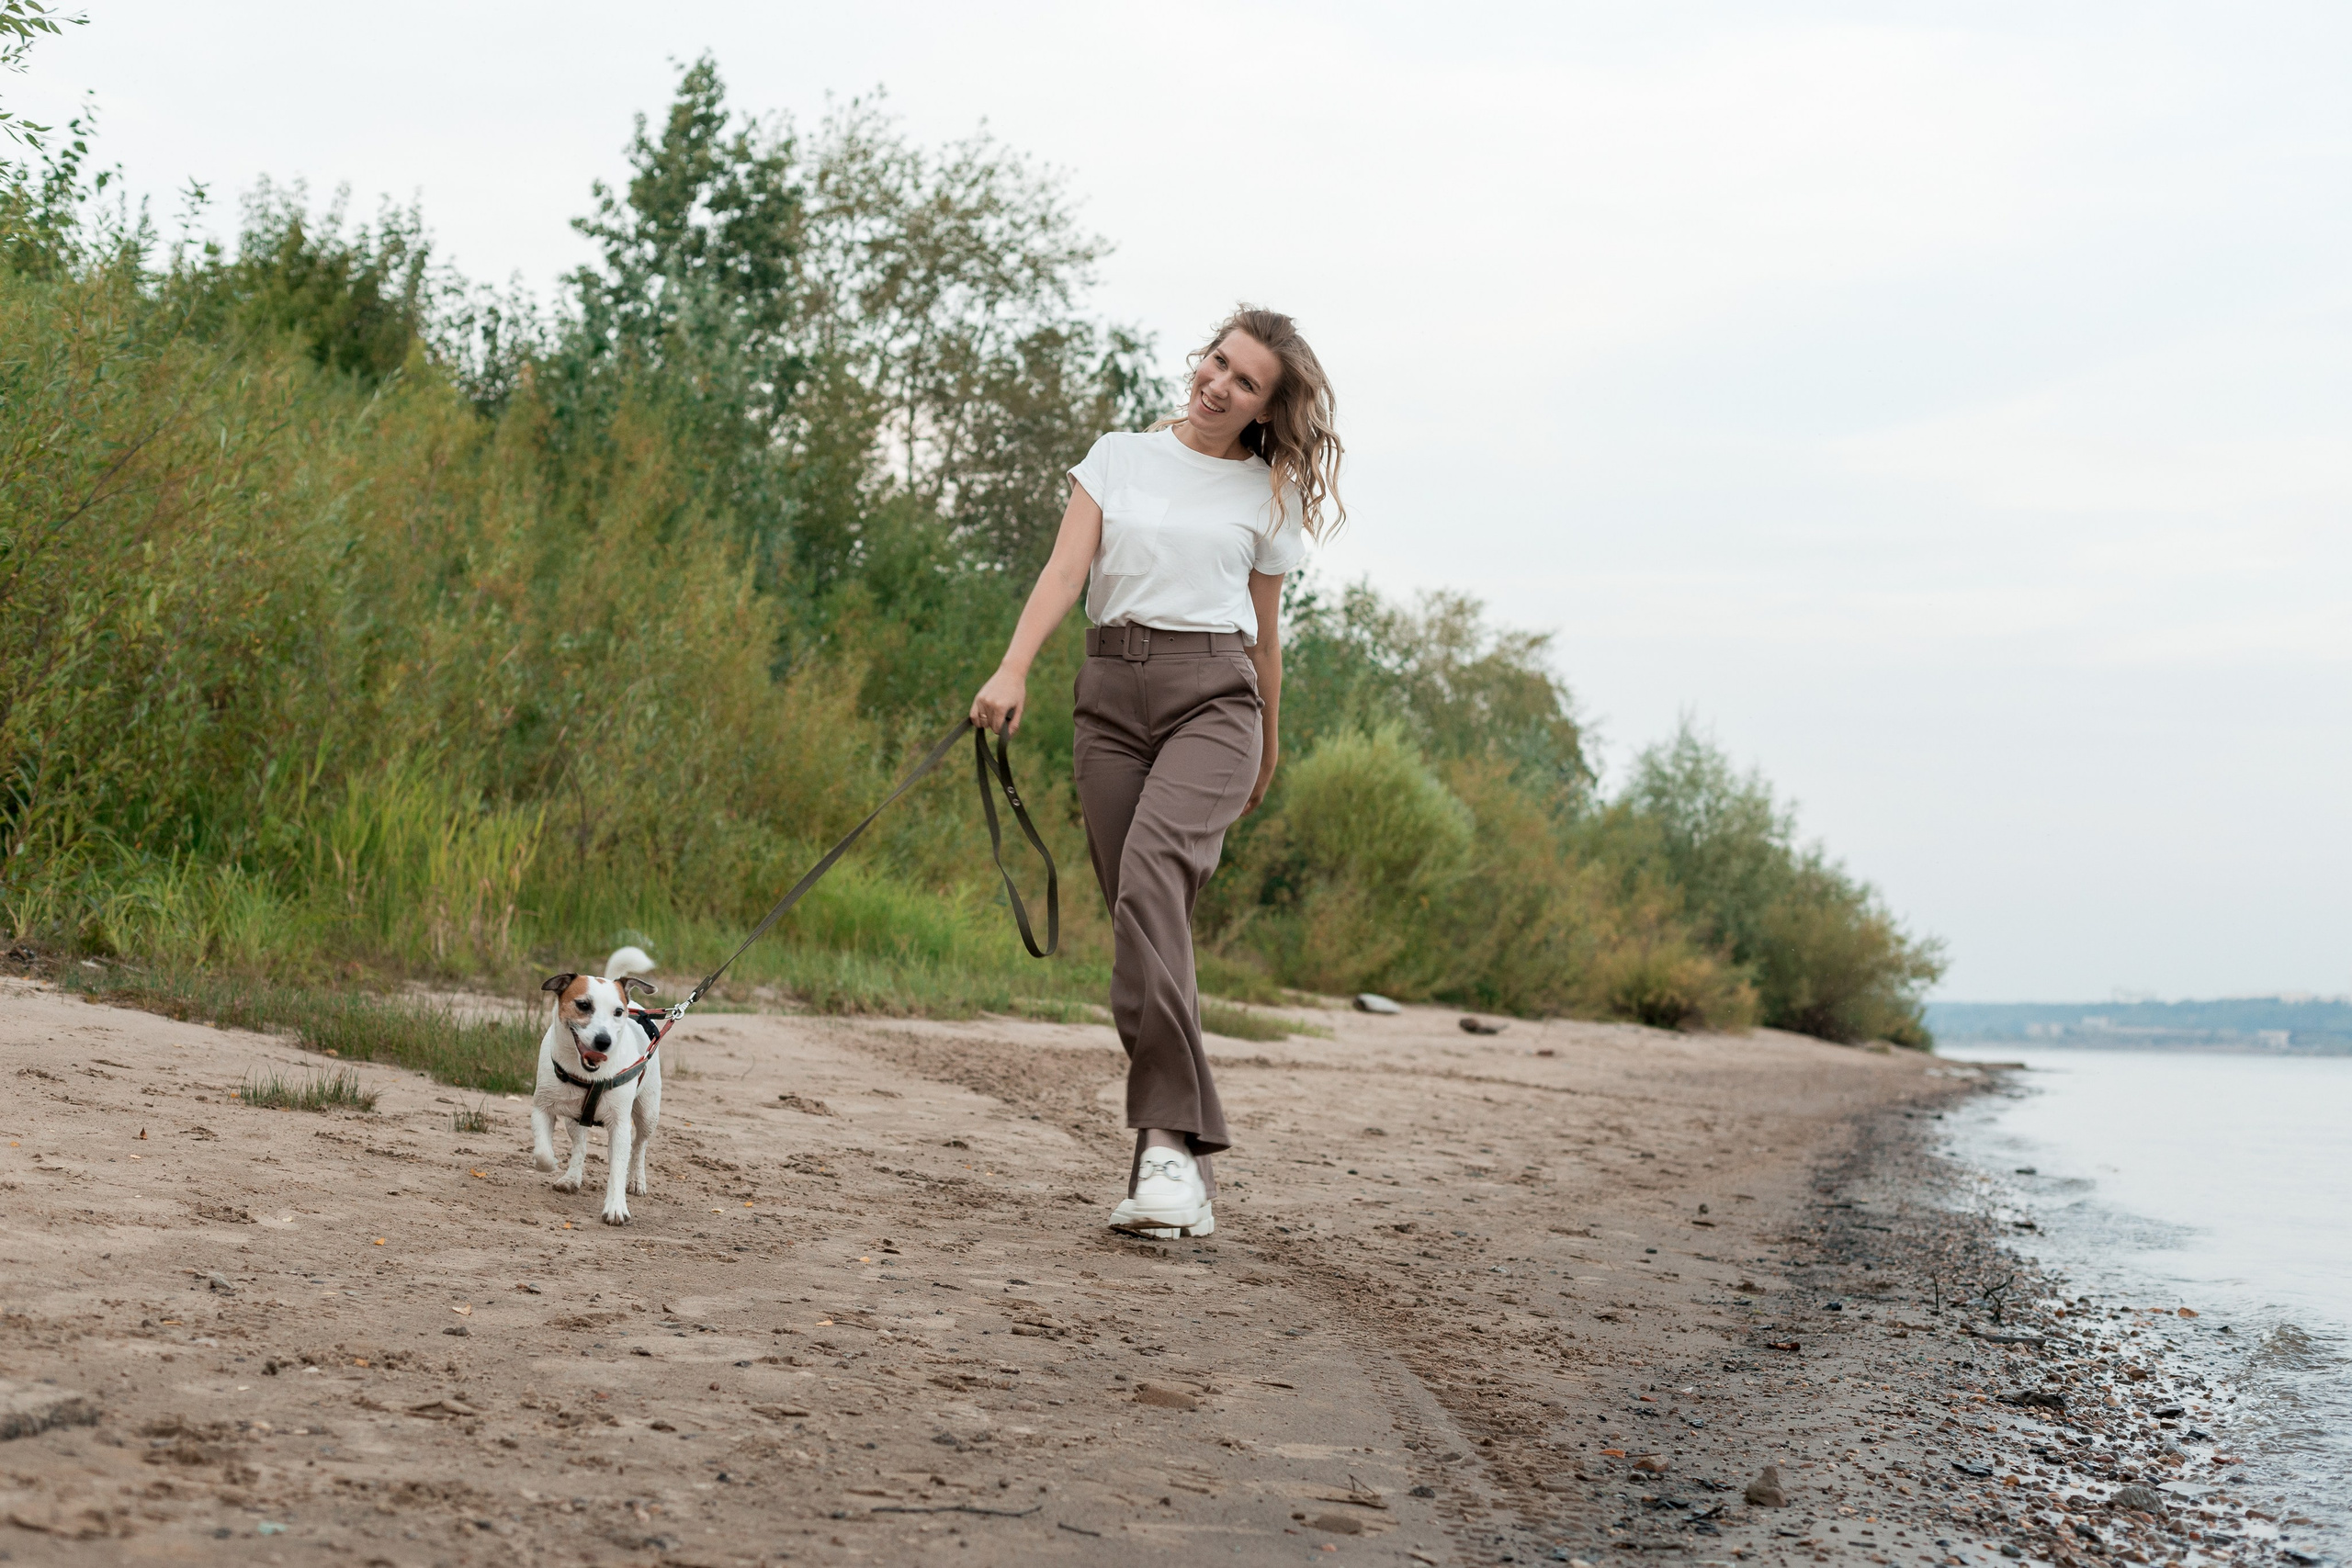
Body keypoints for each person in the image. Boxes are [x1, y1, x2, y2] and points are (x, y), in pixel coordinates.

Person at [969, 306, 1345, 1239]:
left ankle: (1167, 1153)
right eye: (1219, 362)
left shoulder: (1268, 493)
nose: (1220, 384)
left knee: (1149, 888)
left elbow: (1266, 634)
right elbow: (1065, 573)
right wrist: (1013, 667)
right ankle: (1174, 1158)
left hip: (1214, 702)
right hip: (1108, 699)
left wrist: (1269, 739)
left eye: (1246, 381)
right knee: (1143, 923)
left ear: (1266, 407)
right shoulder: (1118, 457)